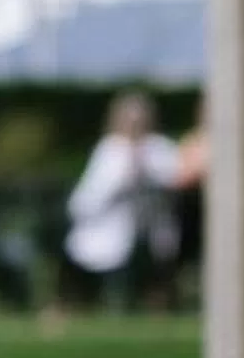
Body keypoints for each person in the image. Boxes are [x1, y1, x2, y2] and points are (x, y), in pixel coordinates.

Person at [65, 92, 183, 309]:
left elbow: (174, 179)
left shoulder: (160, 148)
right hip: (108, 231)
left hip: (153, 232)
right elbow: (86, 199)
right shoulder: (109, 150)